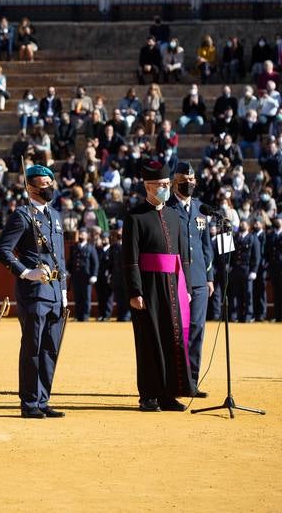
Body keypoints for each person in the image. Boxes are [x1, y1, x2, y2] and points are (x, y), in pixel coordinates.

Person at [0, 164, 67, 418]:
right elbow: (2, 250)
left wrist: (65, 291)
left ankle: (43, 399)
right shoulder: (22, 215)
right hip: (34, 291)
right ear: (30, 188)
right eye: (43, 185)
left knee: (50, 349)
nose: (48, 188)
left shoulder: (55, 216)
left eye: (50, 184)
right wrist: (26, 272)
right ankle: (29, 402)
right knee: (33, 347)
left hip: (56, 293)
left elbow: (60, 256)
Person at [122, 160, 193, 412]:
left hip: (173, 286)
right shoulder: (135, 216)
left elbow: (182, 255)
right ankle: (149, 395)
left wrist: (186, 286)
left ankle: (168, 394)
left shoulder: (174, 215)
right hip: (148, 286)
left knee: (171, 339)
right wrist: (135, 291)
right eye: (160, 185)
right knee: (149, 339)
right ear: (148, 186)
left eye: (166, 184)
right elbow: (129, 257)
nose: (164, 188)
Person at [166, 161, 214, 397]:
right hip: (176, 279)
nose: (190, 184)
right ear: (175, 181)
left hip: (198, 281)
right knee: (177, 332)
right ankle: (175, 381)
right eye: (185, 180)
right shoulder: (167, 208)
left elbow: (206, 247)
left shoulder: (200, 210)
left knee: (197, 330)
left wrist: (210, 277)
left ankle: (191, 381)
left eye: (193, 180)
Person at [229, 218, 260, 323]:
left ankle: (248, 316)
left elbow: (256, 256)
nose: (242, 224)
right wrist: (229, 265)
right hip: (235, 270)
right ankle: (235, 315)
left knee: (248, 295)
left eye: (244, 223)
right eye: (241, 223)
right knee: (235, 294)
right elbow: (230, 254)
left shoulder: (253, 238)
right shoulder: (234, 237)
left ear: (248, 225)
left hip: (247, 270)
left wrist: (254, 270)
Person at [69, 226, 99, 321]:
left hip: (86, 277)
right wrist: (68, 270)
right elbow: (70, 261)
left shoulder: (91, 247)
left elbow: (95, 262)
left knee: (86, 297)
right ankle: (78, 315)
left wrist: (94, 275)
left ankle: (85, 316)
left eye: (83, 234)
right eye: (80, 234)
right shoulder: (74, 247)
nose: (81, 235)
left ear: (87, 236)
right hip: (76, 276)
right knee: (77, 297)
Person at [266, 216, 282, 321]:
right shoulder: (271, 235)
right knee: (276, 293)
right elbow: (267, 251)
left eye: (279, 219)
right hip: (274, 268)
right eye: (276, 219)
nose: (277, 221)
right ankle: (277, 315)